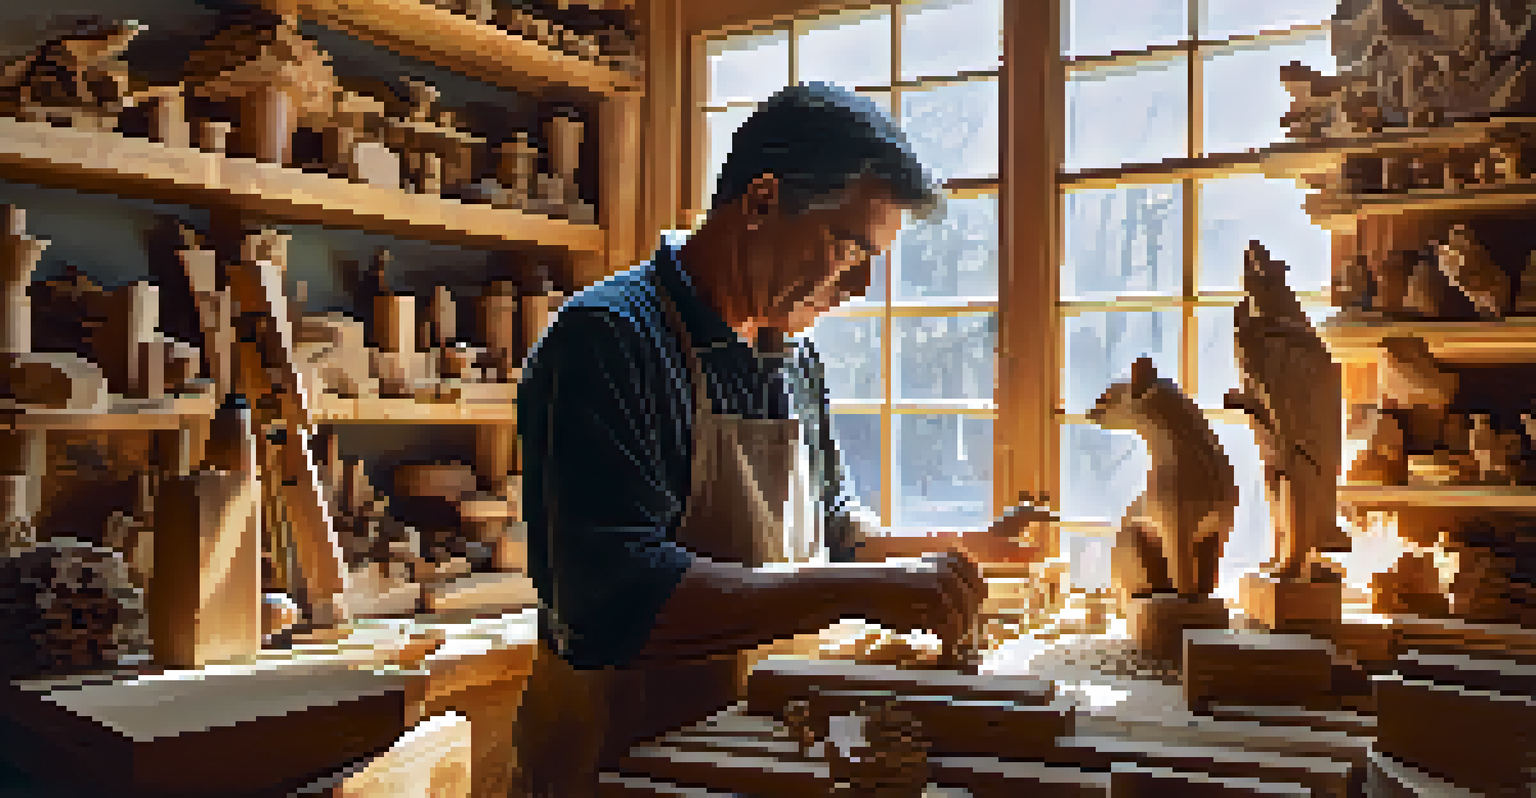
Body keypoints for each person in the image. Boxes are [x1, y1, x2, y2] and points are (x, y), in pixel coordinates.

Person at [512, 82, 994, 796]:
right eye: (847, 248)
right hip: (625, 765)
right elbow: (611, 604)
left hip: (759, 749)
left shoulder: (795, 357)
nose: (859, 286)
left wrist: (962, 558)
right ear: (762, 201)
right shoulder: (611, 339)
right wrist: (855, 590)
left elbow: (835, 529)